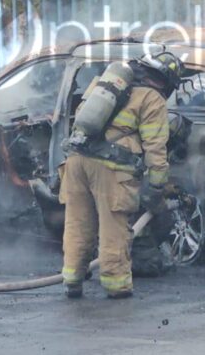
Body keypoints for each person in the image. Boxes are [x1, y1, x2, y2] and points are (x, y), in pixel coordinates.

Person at [59, 51, 184, 299]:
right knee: (113, 229)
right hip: (111, 169)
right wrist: (157, 187)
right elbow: (155, 149)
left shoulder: (107, 82)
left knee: (77, 224)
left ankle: (72, 280)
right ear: (167, 80)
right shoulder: (152, 99)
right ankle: (117, 286)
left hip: (75, 161)